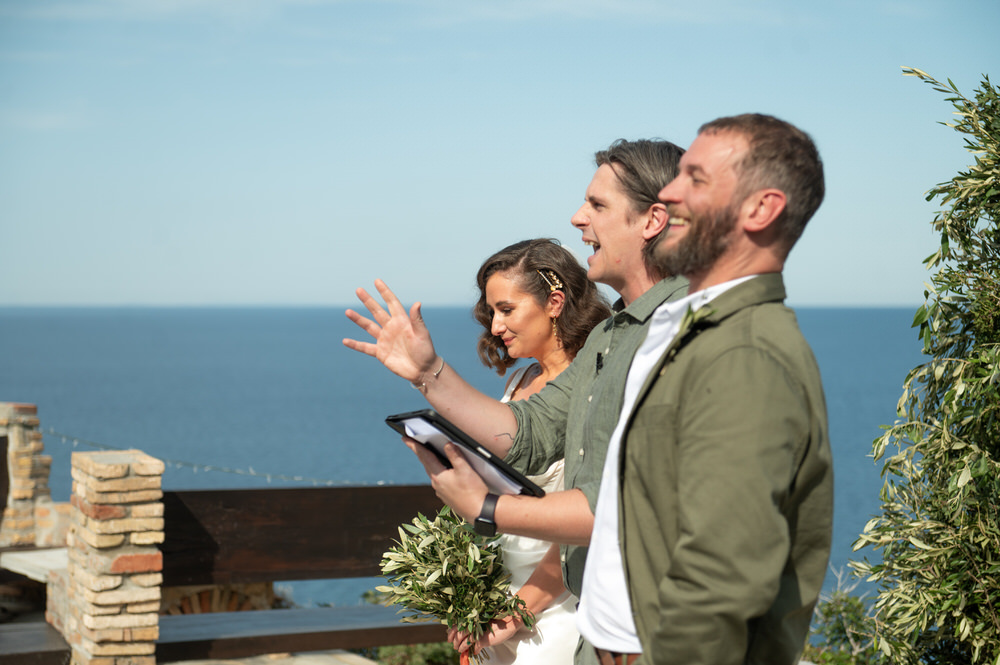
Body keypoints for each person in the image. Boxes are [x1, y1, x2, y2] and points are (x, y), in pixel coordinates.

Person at [343, 138, 687, 665]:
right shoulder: (611, 337)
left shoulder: (686, 331)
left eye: (597, 205)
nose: (577, 218)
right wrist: (427, 372)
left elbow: (621, 506)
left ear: (652, 220)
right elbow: (528, 432)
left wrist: (485, 509)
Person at [576, 113, 834, 665]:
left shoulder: (744, 355)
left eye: (695, 178)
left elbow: (721, 577)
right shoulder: (687, 327)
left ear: (761, 209)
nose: (668, 194)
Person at [457, 238, 610, 663]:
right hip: (500, 598)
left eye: (506, 309)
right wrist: (471, 603)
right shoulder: (519, 381)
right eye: (491, 313)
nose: (495, 326)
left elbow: (588, 520)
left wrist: (519, 610)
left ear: (555, 303)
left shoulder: (596, 385)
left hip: (557, 607)